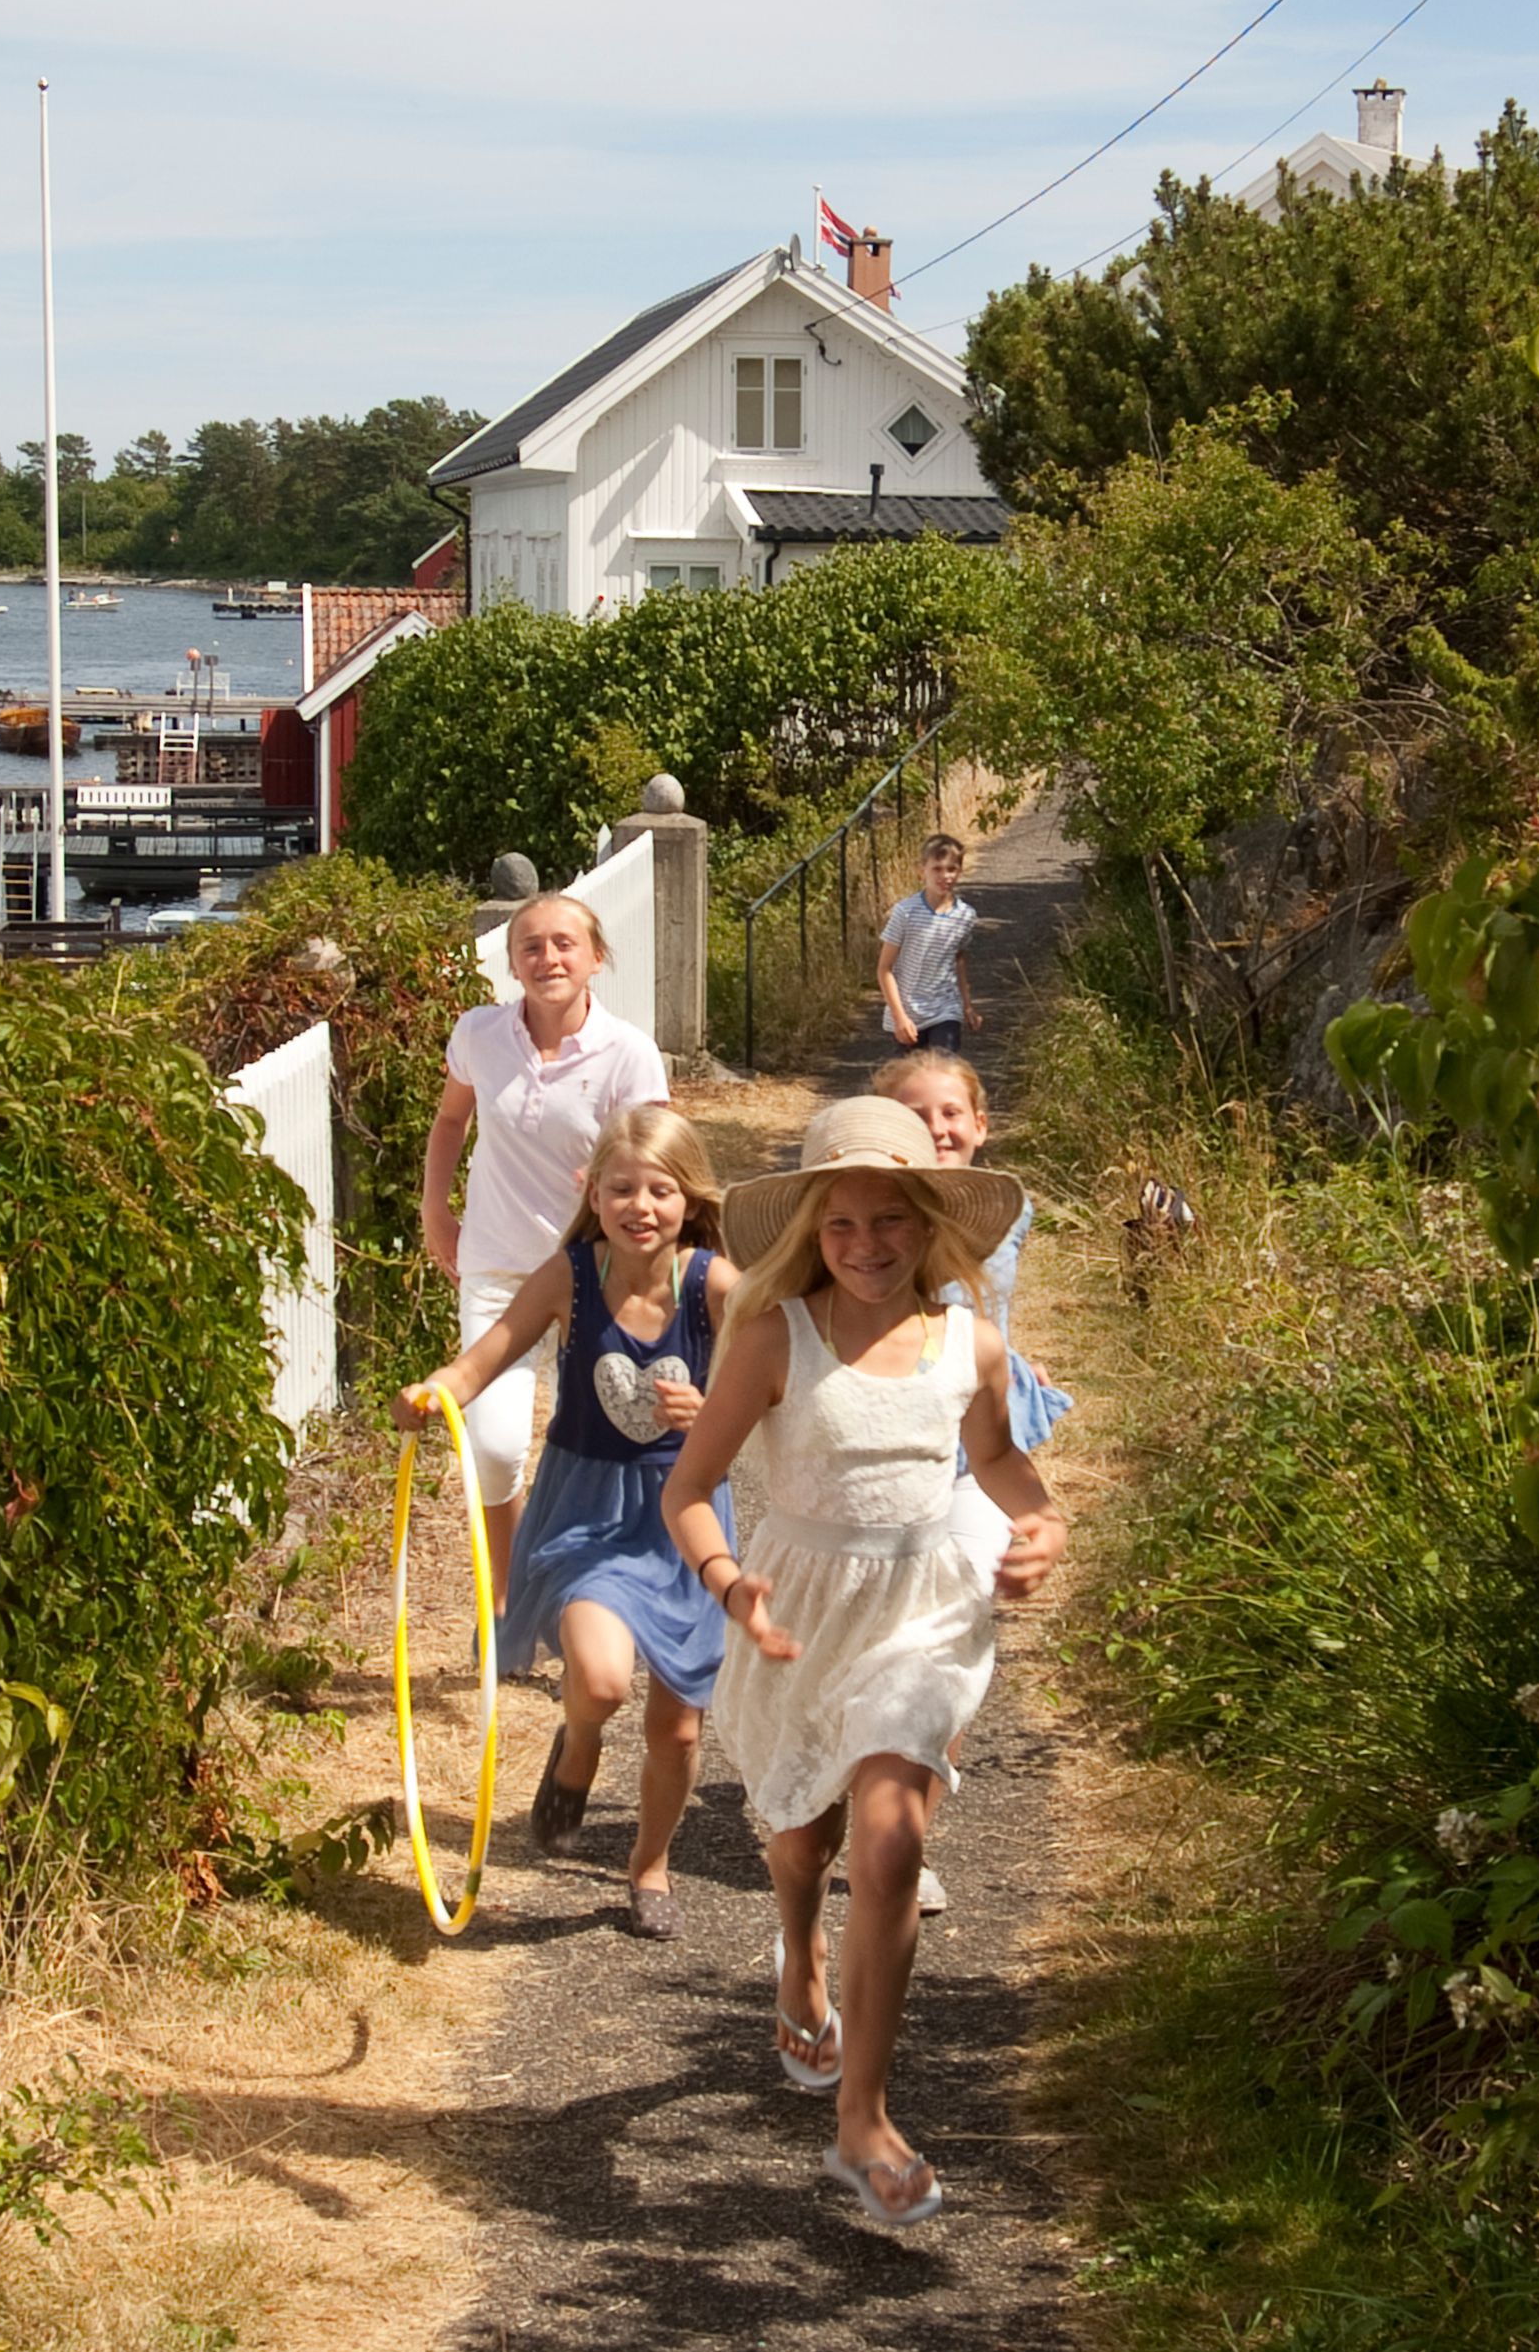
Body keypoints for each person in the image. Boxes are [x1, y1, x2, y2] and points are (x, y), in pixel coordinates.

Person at [662, 1096, 1068, 2227]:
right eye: (842, 1225)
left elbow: (999, 1463)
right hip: (798, 1607)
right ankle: (797, 1945)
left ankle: (864, 2116)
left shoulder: (969, 1344)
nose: (868, 1243)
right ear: (810, 1231)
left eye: (890, 1219)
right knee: (803, 1839)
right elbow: (688, 1491)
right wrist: (727, 1579)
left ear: (929, 1219)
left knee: (890, 1842)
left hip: (925, 1611)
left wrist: (1044, 1526)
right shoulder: (771, 1335)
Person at [402, 1107, 737, 1940]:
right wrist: (433, 1393)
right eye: (621, 1188)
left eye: (660, 1190)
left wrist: (712, 1413)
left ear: (690, 1199)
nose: (640, 1206)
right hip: (589, 1513)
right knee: (598, 1680)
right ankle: (580, 1743)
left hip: (684, 1517)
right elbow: (483, 1359)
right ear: (594, 1192)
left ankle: (649, 1865)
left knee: (678, 1721)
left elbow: (775, 1395)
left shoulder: (717, 1287)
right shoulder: (568, 1277)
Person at [872, 1049, 1076, 1919]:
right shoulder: (862, 1221)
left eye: (952, 1114)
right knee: (875, 1647)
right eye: (916, 1119)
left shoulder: (1008, 1207)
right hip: (887, 1449)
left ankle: (905, 1840)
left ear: (982, 1125)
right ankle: (845, 1788)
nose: (940, 1130)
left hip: (976, 1445)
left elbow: (966, 1276)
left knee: (951, 1639)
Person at [422, 894, 669, 1601]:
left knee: (604, 1450)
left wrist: (616, 1182)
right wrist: (436, 1211)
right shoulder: (479, 1034)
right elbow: (449, 1122)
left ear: (595, 957)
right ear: (512, 963)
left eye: (564, 944)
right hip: (497, 1271)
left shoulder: (629, 1053)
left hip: (596, 1276)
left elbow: (659, 1160)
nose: (548, 958)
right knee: (495, 1450)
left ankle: (593, 1600)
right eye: (531, 946)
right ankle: (510, 1599)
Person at [877, 834, 981, 1053]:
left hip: (945, 1009)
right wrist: (899, 1017)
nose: (945, 876)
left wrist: (966, 1006)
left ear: (960, 872)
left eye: (952, 869)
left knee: (943, 1072)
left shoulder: (965, 915)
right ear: (921, 870)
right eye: (937, 869)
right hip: (909, 1011)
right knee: (909, 1081)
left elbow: (958, 958)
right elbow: (885, 968)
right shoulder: (905, 912)